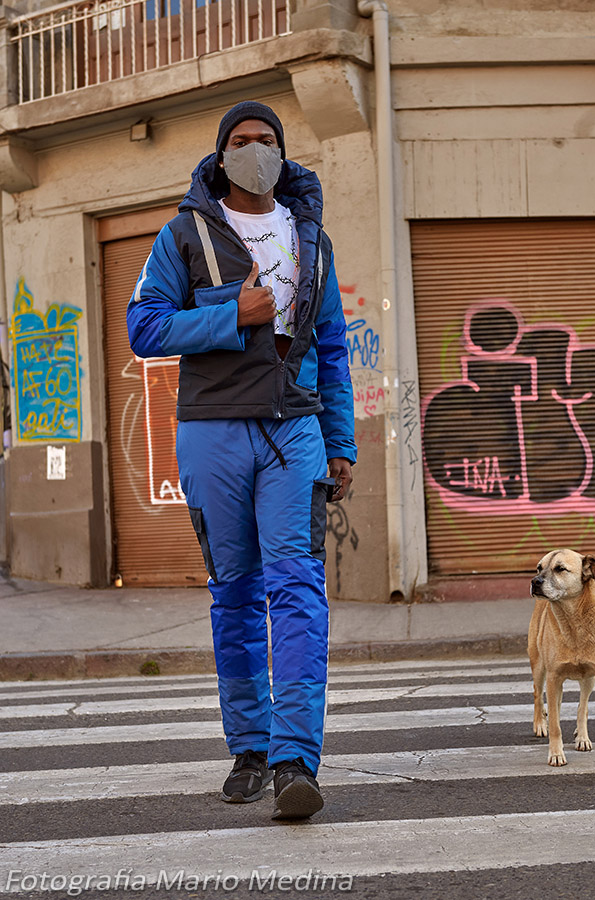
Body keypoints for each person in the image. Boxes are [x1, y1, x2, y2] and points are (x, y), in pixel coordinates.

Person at [127, 101, 356, 819]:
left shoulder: (311, 238)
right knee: (234, 594)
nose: (254, 149)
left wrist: (342, 443)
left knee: (296, 589)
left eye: (266, 141)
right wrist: (234, 315)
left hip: (294, 429)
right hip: (212, 430)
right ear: (220, 155)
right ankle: (249, 749)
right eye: (240, 141)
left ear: (284, 155)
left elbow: (332, 350)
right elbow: (143, 325)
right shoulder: (185, 232)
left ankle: (295, 761)